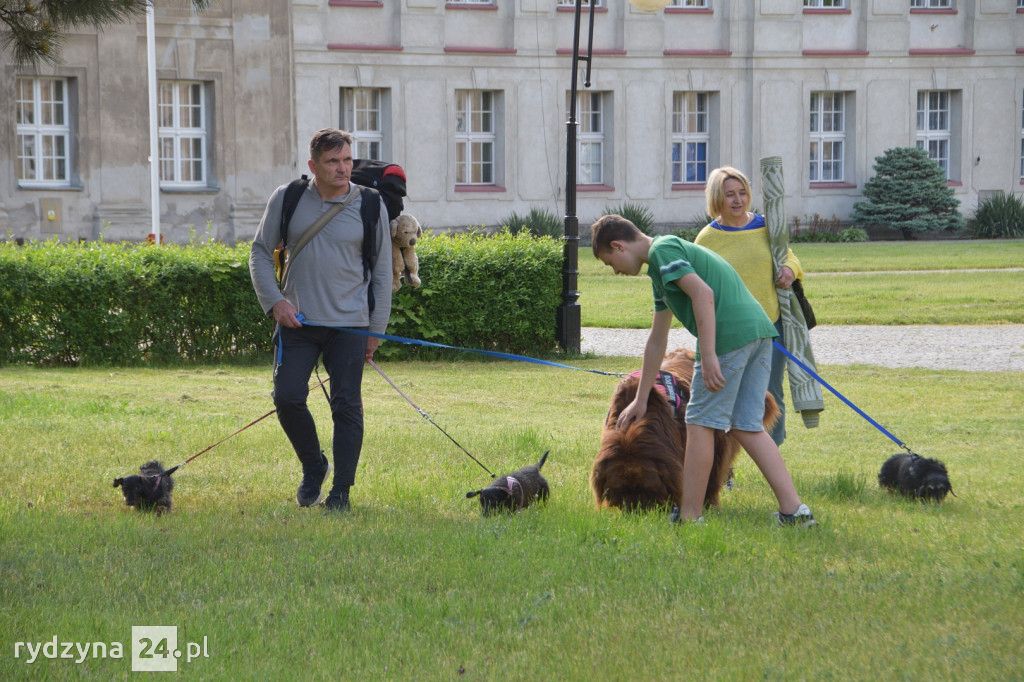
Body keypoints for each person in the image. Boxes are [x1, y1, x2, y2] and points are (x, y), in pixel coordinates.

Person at [590, 214, 815, 526]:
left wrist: (708, 355)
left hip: (729, 336)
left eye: (609, 262)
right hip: (758, 332)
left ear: (618, 246)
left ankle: (690, 515)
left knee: (699, 422)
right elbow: (657, 340)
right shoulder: (661, 270)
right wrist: (641, 399)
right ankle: (794, 511)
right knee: (746, 425)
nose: (615, 270)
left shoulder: (663, 252)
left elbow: (702, 295)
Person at [249, 128, 392, 512]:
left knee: (347, 406)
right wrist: (275, 303)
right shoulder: (288, 198)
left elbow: (382, 272)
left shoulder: (370, 204)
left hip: (351, 325)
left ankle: (341, 492)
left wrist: (376, 330)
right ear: (313, 165)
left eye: (347, 160)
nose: (342, 168)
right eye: (332, 162)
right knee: (287, 397)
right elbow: (259, 252)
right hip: (297, 322)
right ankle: (314, 465)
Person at [694, 166, 809, 446]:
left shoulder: (766, 226)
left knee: (770, 392)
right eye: (729, 194)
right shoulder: (706, 239)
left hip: (771, 324)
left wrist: (789, 270)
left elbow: (790, 257)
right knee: (726, 393)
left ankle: (773, 452)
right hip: (731, 331)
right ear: (716, 198)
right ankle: (725, 458)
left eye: (742, 192)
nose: (738, 200)